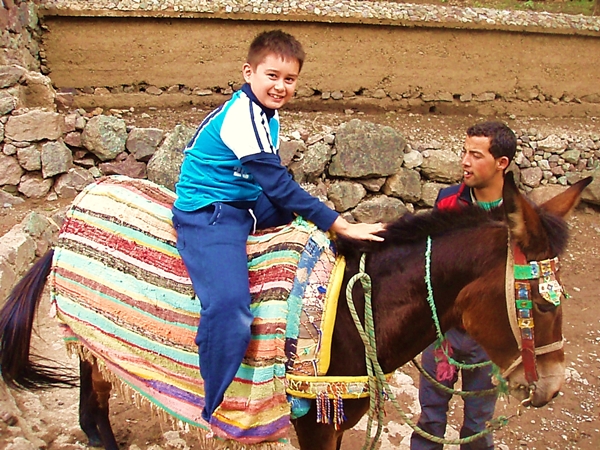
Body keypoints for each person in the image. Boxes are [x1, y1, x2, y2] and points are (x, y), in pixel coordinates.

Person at [171, 29, 385, 423]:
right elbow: (277, 184)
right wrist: (340, 223)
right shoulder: (240, 116)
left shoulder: (266, 113)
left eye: (289, 79)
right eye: (272, 76)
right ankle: (214, 404)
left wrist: (321, 224)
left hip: (244, 198)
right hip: (210, 210)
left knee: (309, 234)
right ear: (248, 72)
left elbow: (272, 188)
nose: (280, 86)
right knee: (230, 310)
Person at [410, 121, 517, 450]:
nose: (464, 162)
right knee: (430, 413)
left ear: (502, 164)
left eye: (475, 154)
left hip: (490, 338)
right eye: (464, 152)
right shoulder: (447, 203)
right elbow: (426, 260)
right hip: (443, 331)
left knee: (478, 421)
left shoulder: (518, 215)